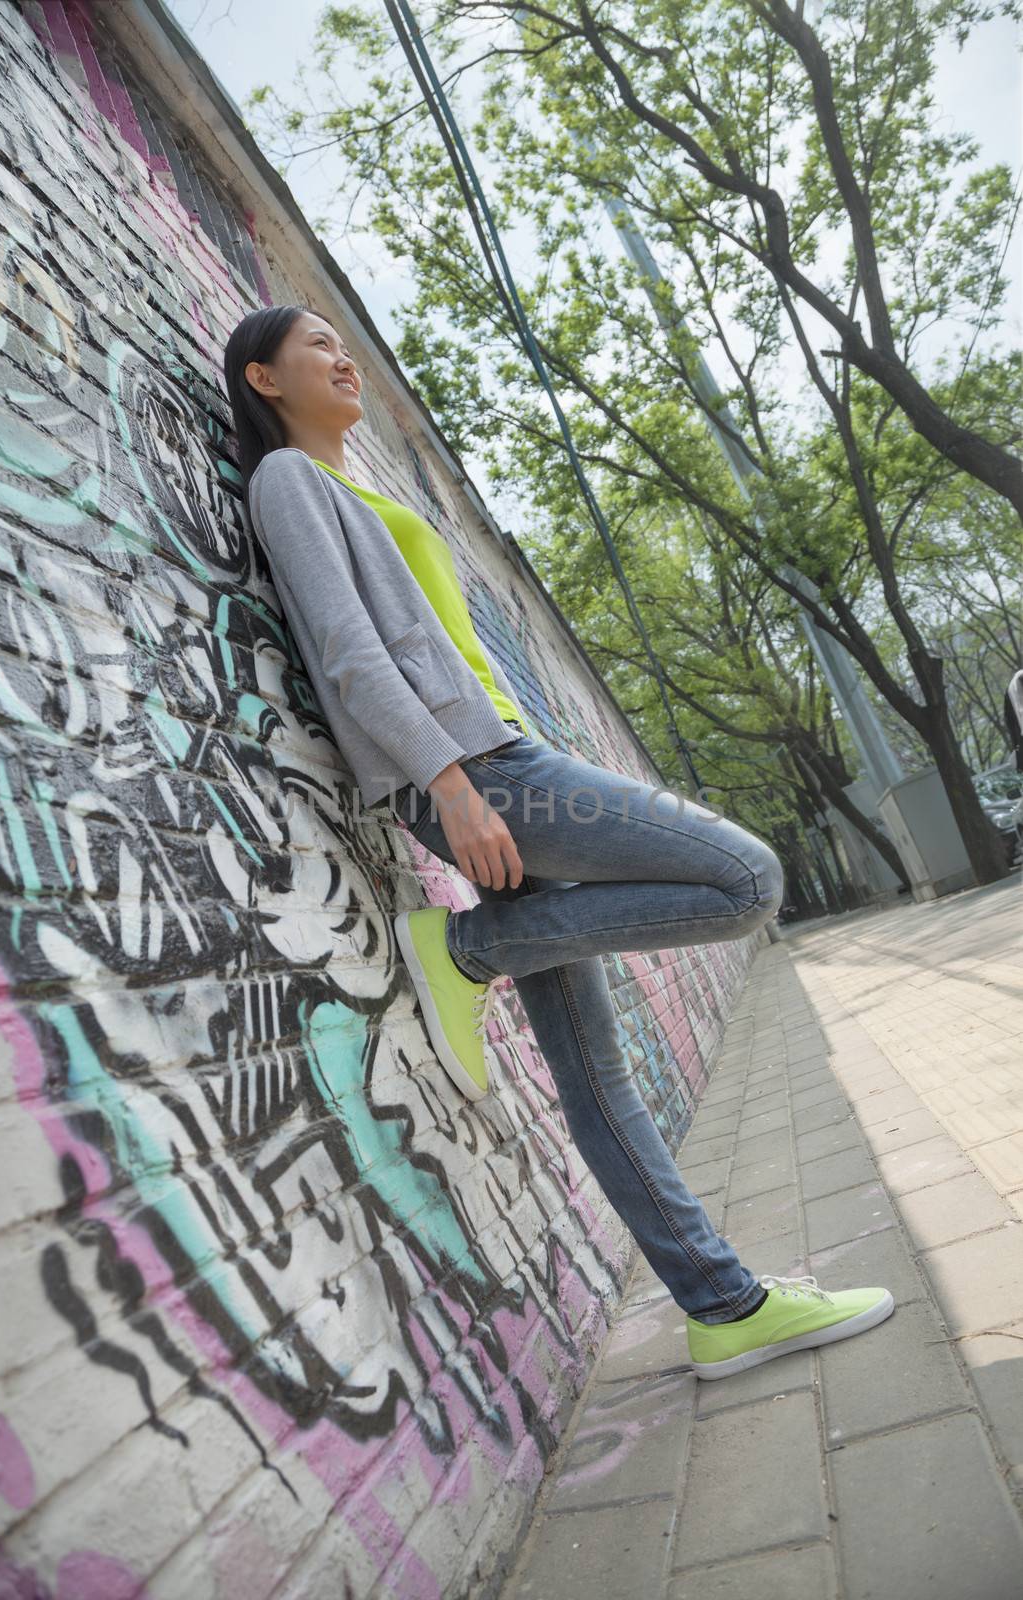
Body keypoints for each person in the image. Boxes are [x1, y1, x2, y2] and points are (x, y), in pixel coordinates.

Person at [223, 303, 895, 1380]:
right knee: (743, 878)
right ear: (263, 380)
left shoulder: (355, 486)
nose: (343, 360)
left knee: (596, 1078)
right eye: (317, 349)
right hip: (481, 772)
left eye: (344, 348)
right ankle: (468, 950)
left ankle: (722, 1306)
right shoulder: (288, 482)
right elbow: (346, 652)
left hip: (493, 758)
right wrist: (448, 782)